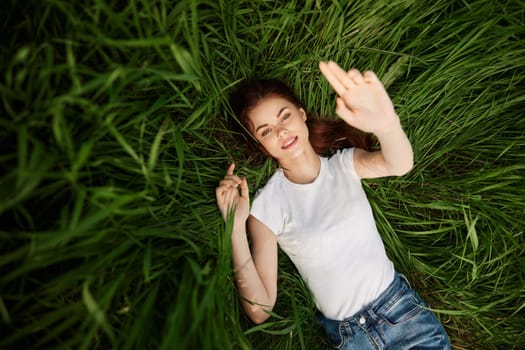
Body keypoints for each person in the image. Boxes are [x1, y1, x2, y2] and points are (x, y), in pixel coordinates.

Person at [215, 61, 451, 349]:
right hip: (352, 338)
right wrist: (235, 228)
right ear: (259, 144)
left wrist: (386, 125)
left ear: (301, 114)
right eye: (265, 131)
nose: (281, 132)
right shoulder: (267, 209)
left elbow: (399, 164)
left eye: (284, 116)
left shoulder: (344, 165)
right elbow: (259, 309)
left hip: (403, 316)